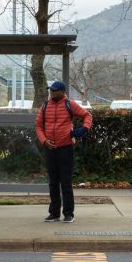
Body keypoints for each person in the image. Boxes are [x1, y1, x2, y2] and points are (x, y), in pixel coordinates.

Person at [35, 80, 92, 223]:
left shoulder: (69, 104)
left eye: (54, 91)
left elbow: (87, 115)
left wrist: (85, 128)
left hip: (65, 148)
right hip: (50, 149)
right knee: (53, 183)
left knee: (65, 182)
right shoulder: (45, 105)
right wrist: (44, 140)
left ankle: (69, 214)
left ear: (62, 92)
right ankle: (54, 213)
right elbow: (38, 126)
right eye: (51, 91)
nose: (51, 93)